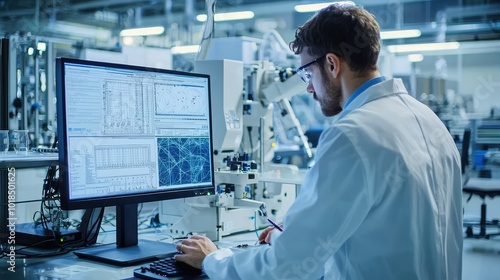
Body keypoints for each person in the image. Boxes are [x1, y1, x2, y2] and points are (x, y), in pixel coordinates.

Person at [175, 2, 463, 279]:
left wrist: (213, 259)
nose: (309, 87)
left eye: (308, 73)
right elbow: (385, 224)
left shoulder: (352, 135)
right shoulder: (429, 120)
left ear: (332, 64)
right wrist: (298, 233)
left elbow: (287, 269)